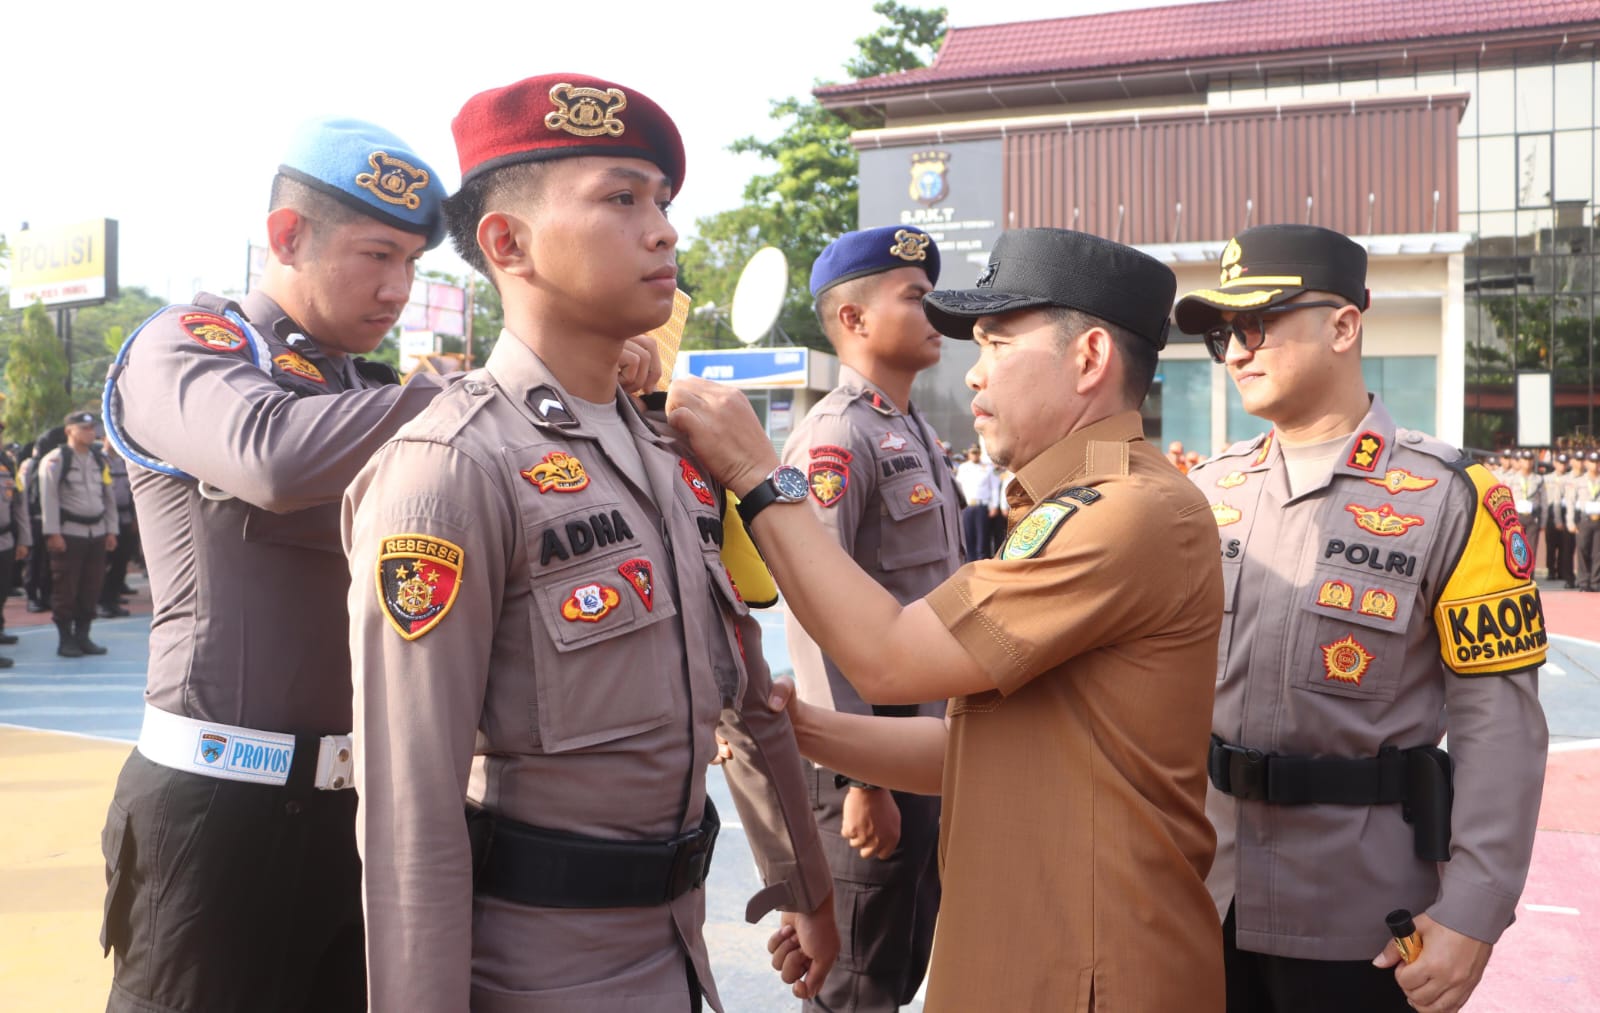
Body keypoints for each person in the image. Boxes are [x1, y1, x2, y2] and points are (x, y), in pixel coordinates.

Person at [344, 73, 838, 1011]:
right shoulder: (450, 467)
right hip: (534, 970)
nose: (665, 230)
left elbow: (744, 690)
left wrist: (805, 883)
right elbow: (410, 814)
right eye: (621, 198)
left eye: (661, 201)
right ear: (508, 242)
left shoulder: (666, 447)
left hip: (677, 948)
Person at [668, 227, 1226, 1011]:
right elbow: (982, 746)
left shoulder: (1125, 512)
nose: (975, 373)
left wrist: (758, 476)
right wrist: (801, 729)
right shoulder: (1077, 505)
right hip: (1035, 956)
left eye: (998, 343)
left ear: (1090, 358)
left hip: (1087, 971)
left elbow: (891, 657)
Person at [95, 118, 463, 1013]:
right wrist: (462, 394)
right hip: (216, 811)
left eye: (413, 263)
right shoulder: (194, 348)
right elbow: (272, 458)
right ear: (287, 235)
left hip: (359, 811)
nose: (398, 289)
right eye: (377, 254)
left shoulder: (364, 392)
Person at [1176, 223, 1549, 1013]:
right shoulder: (1209, 492)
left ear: (1345, 324)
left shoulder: (1454, 496)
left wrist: (1474, 912)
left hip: (1360, 919)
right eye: (1224, 335)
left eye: (1259, 323)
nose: (1238, 350)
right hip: (1205, 892)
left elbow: (1500, 724)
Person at [781, 225, 961, 1011]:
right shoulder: (837, 434)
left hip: (925, 750)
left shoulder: (912, 428)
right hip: (871, 758)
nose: (936, 312)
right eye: (916, 297)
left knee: (902, 959)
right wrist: (862, 776)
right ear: (852, 320)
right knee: (855, 981)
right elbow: (815, 605)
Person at [39, 410, 117, 657]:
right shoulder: (55, 460)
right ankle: (66, 639)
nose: (90, 432)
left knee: (92, 587)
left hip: (97, 532)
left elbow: (108, 496)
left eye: (92, 428)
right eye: (84, 428)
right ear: (69, 430)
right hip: (69, 533)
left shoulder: (97, 459)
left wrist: (111, 530)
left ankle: (83, 636)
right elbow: (48, 498)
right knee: (66, 587)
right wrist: (52, 532)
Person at [99, 435, 137, 617]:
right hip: (105, 519)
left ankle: (112, 599)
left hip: (126, 517)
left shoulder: (125, 460)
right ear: (103, 438)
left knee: (121, 563)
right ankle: (101, 602)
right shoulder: (97, 459)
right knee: (104, 564)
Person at [0, 430, 29, 665]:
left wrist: (23, 540)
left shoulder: (7, 464)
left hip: (6, 540)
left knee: (2, 591)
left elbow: (19, 506)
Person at [953, 445, 1001, 561]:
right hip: (967, 506)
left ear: (980, 453)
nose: (975, 455)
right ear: (968, 454)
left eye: (976, 453)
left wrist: (994, 505)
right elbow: (958, 486)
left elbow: (994, 488)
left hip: (982, 506)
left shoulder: (988, 467)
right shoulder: (964, 468)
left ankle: (982, 563)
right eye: (972, 453)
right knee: (968, 538)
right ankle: (970, 563)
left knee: (982, 539)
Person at [1575, 450, 1600, 591]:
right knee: (1582, 549)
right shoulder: (1580, 481)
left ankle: (1595, 582)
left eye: (1597, 462)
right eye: (1592, 462)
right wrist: (1571, 522)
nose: (1595, 465)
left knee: (1597, 553)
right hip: (1584, 519)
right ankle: (1583, 581)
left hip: (1599, 520)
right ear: (1586, 463)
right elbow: (1572, 502)